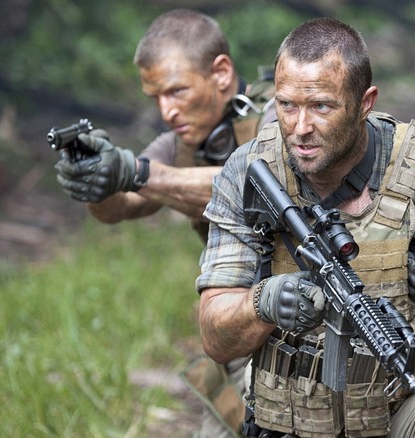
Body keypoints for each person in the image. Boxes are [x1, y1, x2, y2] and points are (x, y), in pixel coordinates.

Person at [197, 17, 415, 437]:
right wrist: (262, 302)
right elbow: (215, 334)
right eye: (287, 105)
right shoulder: (250, 171)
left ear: (365, 102)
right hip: (292, 414)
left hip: (409, 400)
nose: (299, 128)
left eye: (322, 106)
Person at [52, 9, 276, 438]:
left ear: (222, 73)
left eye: (176, 91)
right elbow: (120, 207)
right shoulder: (181, 143)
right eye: (155, 97)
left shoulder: (280, 114)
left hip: (305, 319)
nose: (166, 110)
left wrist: (134, 171)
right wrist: (94, 179)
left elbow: (255, 187)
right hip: (237, 329)